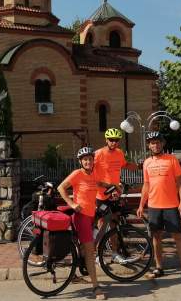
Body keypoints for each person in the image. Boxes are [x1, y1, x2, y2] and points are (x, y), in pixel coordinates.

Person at [136, 132, 181, 284]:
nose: (155, 145)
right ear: (149, 145)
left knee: (178, 237)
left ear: (162, 144)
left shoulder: (172, 159)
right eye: (152, 143)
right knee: (156, 237)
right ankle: (159, 268)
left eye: (157, 142)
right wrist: (141, 205)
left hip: (171, 206)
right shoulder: (147, 163)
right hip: (154, 206)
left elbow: (180, 182)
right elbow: (146, 185)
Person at [58, 146, 111, 300]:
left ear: (93, 160)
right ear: (81, 161)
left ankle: (78, 270)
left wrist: (110, 186)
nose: (88, 161)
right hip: (81, 217)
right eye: (85, 159)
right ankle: (96, 288)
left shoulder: (92, 174)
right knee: (90, 251)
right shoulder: (77, 174)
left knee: (84, 248)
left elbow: (98, 183)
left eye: (90, 159)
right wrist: (72, 203)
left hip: (90, 216)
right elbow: (61, 187)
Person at [94, 128, 137, 263]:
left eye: (116, 140)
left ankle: (114, 253)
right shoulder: (98, 153)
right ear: (106, 140)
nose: (114, 142)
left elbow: (124, 165)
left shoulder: (119, 153)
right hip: (101, 195)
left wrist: (139, 166)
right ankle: (97, 254)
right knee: (101, 224)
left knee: (114, 224)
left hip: (115, 195)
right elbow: (90, 172)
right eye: (111, 140)